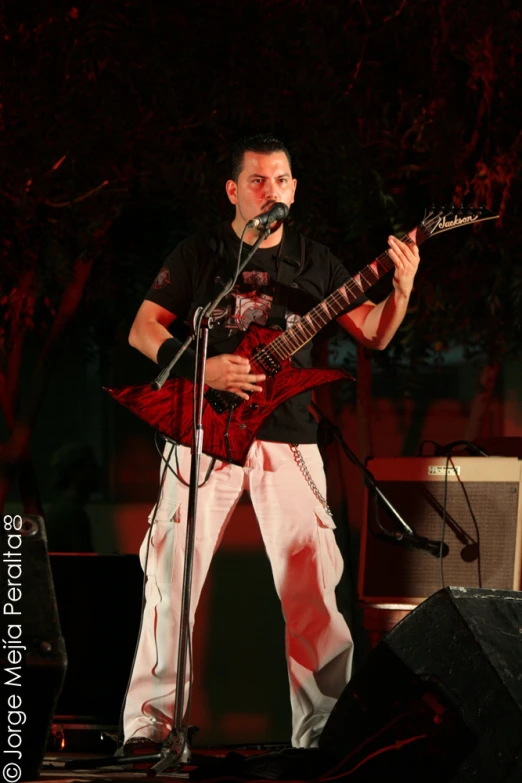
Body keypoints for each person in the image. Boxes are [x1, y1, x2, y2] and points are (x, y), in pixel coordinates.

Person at [122, 134, 420, 753]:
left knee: (313, 584)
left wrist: (403, 291)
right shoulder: (202, 253)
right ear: (233, 191)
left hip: (288, 437)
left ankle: (323, 734)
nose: (273, 191)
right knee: (171, 578)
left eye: (283, 180)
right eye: (259, 180)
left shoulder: (316, 261)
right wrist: (200, 369)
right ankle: (150, 730)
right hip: (203, 430)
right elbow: (143, 329)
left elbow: (373, 334)